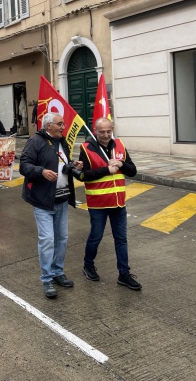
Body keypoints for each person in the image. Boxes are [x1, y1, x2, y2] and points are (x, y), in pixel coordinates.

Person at [20, 113, 82, 299]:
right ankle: (47, 279)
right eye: (60, 124)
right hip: (43, 200)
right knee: (47, 240)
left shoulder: (61, 141)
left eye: (63, 123)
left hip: (61, 199)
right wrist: (41, 172)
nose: (64, 126)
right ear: (48, 126)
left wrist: (72, 165)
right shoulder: (35, 141)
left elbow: (62, 165)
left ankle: (57, 273)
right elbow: (24, 165)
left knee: (61, 238)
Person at [79, 117, 141, 290]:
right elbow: (83, 175)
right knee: (96, 237)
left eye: (108, 131)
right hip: (98, 204)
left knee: (121, 239)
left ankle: (124, 274)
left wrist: (121, 164)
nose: (106, 135)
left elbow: (133, 171)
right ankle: (88, 265)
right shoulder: (86, 148)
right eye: (102, 132)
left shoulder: (119, 146)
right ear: (95, 131)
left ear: (112, 129)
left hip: (118, 203)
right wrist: (106, 169)